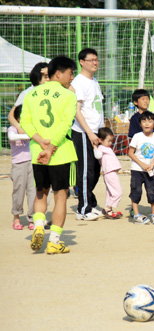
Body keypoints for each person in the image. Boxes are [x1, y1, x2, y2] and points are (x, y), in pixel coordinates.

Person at [20, 55, 79, 254]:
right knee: (61, 195)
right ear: (59, 73)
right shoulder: (69, 96)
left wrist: (40, 141)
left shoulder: (31, 95)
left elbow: (25, 122)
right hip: (59, 153)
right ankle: (54, 241)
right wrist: (51, 146)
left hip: (38, 152)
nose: (72, 78)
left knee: (41, 192)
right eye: (71, 73)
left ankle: (38, 226)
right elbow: (65, 123)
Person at [71, 48, 104, 221]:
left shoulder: (94, 81)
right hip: (84, 132)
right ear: (82, 62)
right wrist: (90, 133)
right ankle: (83, 209)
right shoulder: (79, 82)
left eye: (96, 59)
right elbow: (77, 111)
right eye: (91, 60)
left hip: (96, 132)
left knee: (96, 170)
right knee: (86, 171)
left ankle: (89, 203)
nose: (95, 63)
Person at [128, 89, 154, 217]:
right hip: (139, 157)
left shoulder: (153, 117)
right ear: (135, 102)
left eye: (147, 98)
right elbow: (132, 138)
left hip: (153, 157)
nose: (146, 101)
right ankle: (135, 209)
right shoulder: (134, 118)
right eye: (142, 99)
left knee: (153, 183)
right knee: (136, 185)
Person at [9, 105, 35, 230]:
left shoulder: (32, 128)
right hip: (18, 164)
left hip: (32, 162)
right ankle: (16, 216)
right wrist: (29, 135)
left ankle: (32, 217)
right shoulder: (12, 129)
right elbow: (12, 138)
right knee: (18, 191)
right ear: (18, 119)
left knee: (33, 191)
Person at [8, 62, 49, 133]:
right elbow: (11, 115)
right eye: (45, 77)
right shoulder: (27, 93)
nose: (48, 80)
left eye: (49, 77)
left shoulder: (53, 90)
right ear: (37, 77)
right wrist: (19, 128)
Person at [93, 127, 123, 219]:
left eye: (111, 141)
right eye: (109, 141)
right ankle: (108, 208)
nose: (111, 143)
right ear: (101, 140)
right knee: (118, 193)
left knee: (110, 192)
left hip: (112, 172)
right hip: (109, 173)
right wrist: (95, 146)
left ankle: (108, 209)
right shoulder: (101, 148)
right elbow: (97, 155)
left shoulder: (106, 148)